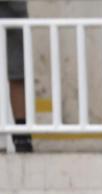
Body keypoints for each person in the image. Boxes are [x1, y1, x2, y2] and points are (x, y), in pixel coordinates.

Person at [0, 0, 32, 152]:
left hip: (13, 7)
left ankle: (21, 136)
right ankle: (22, 136)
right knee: (17, 72)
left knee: (18, 71)